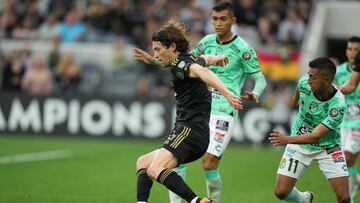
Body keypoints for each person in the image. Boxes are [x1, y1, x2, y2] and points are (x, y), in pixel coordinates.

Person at [134, 2, 266, 202]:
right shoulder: (188, 56)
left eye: (157, 50)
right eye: (214, 18)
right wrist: (218, 57)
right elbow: (204, 60)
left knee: (160, 168)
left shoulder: (182, 66)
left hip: (195, 127)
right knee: (143, 163)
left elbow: (201, 71)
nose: (155, 54)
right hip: (192, 126)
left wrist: (229, 94)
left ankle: (198, 201)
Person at [269, 57, 351, 203]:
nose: (308, 80)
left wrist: (286, 139)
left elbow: (316, 136)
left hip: (328, 147)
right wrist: (293, 102)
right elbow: (295, 99)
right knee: (281, 192)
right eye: (308, 75)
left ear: (326, 80)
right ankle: (305, 199)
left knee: (344, 198)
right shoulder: (304, 83)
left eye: (313, 78)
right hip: (299, 144)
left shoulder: (338, 105)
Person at [334, 36, 360, 201]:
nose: (353, 53)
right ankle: (355, 181)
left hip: (359, 123)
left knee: (348, 156)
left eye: (356, 49)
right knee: (344, 162)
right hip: (344, 122)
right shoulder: (339, 72)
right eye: (350, 49)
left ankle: (349, 197)